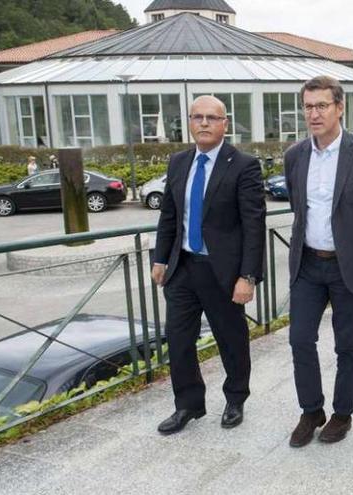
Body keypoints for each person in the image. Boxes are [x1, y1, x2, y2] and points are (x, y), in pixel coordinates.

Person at [284, 76, 353, 448]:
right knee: (300, 338)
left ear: (339, 107)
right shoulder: (295, 155)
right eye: (308, 106)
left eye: (321, 106)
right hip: (307, 265)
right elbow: (298, 209)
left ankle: (342, 414)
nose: (313, 114)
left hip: (347, 265)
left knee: (346, 343)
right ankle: (311, 410)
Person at [152, 95, 266, 435]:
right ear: (189, 122)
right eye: (197, 117)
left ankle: (235, 398)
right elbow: (169, 216)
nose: (204, 123)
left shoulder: (242, 164)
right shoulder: (178, 162)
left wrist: (248, 276)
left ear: (225, 124)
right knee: (179, 339)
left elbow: (253, 224)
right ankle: (187, 404)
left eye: (212, 118)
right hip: (182, 268)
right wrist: (160, 258)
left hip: (223, 271)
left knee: (231, 339)